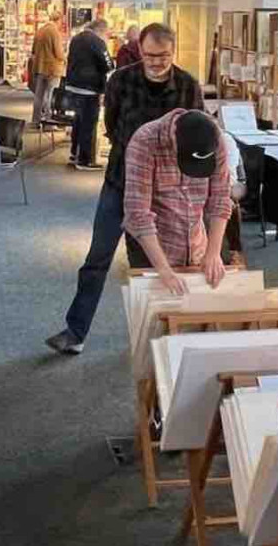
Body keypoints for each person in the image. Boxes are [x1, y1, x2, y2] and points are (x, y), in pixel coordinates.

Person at [45, 23, 203, 355]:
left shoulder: (188, 86)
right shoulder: (120, 80)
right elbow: (113, 127)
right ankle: (76, 332)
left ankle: (155, 336)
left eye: (164, 56)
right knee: (96, 259)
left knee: (147, 267)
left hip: (163, 194)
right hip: (120, 183)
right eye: (150, 55)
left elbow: (195, 136)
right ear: (140, 51)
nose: (157, 62)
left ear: (174, 52)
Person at [123, 109, 232, 293]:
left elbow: (221, 198)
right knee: (154, 314)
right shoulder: (144, 141)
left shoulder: (214, 138)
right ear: (174, 140)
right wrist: (163, 270)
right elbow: (137, 214)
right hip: (152, 249)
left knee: (197, 311)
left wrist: (213, 253)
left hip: (197, 244)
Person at [65, 17, 114, 169]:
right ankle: (85, 160)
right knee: (88, 124)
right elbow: (108, 64)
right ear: (101, 30)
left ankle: (74, 153)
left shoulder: (76, 38)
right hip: (89, 88)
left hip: (73, 85)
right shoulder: (97, 42)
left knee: (77, 122)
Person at [30, 10, 66, 125]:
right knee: (50, 96)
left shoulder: (40, 30)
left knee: (38, 96)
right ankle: (48, 122)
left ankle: (36, 120)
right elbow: (59, 53)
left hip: (39, 68)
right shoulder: (54, 32)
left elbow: (34, 50)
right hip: (52, 69)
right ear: (58, 20)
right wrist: (66, 58)